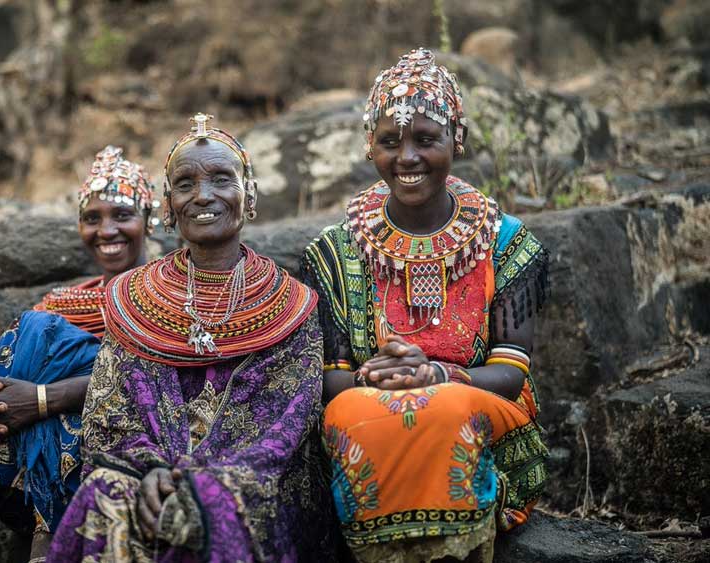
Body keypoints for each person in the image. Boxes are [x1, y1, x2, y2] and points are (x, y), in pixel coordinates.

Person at [49, 114, 338, 562]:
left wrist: (194, 480)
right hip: (147, 474)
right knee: (105, 491)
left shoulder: (290, 303)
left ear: (250, 193)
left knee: (210, 506)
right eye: (185, 184)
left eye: (222, 179)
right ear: (168, 204)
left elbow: (284, 427)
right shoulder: (134, 299)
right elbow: (109, 414)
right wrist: (151, 472)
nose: (203, 195)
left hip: (253, 481)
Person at [301, 48, 550, 563]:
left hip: (474, 398)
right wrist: (378, 379)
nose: (407, 157)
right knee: (350, 410)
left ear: (456, 139)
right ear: (370, 147)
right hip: (370, 399)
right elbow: (332, 378)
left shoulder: (506, 243)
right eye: (389, 141)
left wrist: (436, 375)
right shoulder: (333, 251)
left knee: (447, 411)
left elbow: (510, 372)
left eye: (425, 139)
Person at [0, 146, 159, 563]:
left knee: (51, 393)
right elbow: (4, 373)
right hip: (17, 476)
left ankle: (15, 548)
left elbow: (153, 379)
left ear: (149, 220)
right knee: (34, 334)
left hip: (126, 443)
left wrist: (39, 401)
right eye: (92, 219)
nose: (106, 230)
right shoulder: (61, 304)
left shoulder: (166, 296)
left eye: (122, 215)